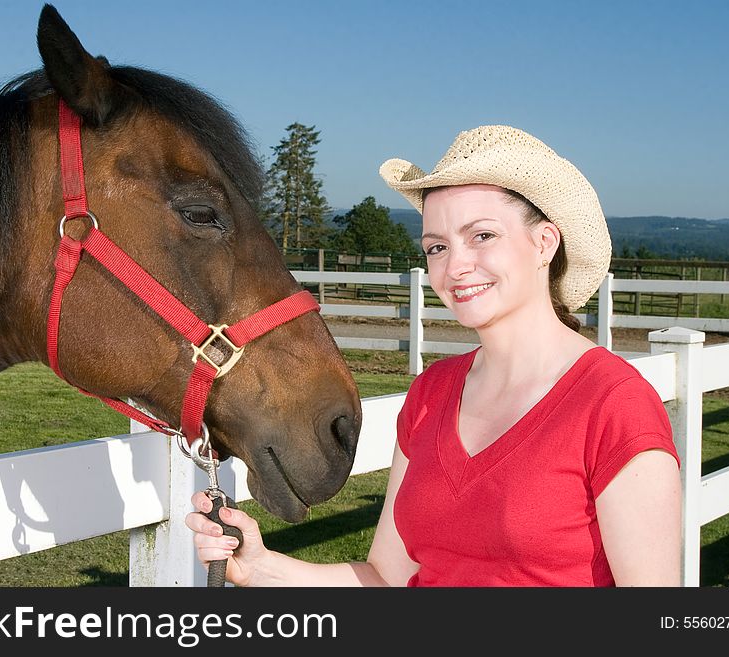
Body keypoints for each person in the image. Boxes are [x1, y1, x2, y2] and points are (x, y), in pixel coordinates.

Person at [185, 125, 682, 586]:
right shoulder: (432, 393)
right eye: (436, 247)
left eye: (482, 236)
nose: (456, 266)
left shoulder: (612, 404)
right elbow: (387, 577)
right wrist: (259, 566)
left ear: (544, 242)